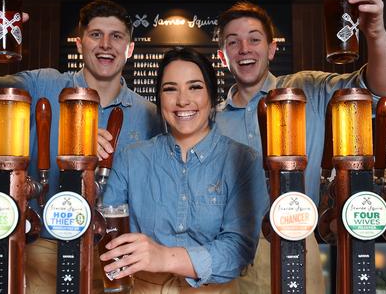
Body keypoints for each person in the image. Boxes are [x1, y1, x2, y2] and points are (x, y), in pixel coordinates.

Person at [0, 0, 160, 292]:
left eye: (116, 36)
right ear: (79, 44)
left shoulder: (150, 114)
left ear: (129, 48)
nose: (105, 44)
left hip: (117, 252)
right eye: (95, 35)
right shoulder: (43, 85)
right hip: (45, 249)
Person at [215, 0, 386, 293]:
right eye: (232, 41)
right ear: (222, 55)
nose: (244, 48)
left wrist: (375, 31)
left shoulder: (306, 89)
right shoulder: (210, 120)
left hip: (299, 242)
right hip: (226, 252)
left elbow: (379, 89)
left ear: (272, 49)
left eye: (255, 39)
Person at [101, 48, 269, 293]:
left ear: (212, 95)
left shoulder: (243, 159)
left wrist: (164, 257)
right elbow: (105, 232)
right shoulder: (130, 158)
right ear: (159, 98)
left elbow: (238, 249)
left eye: (195, 87)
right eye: (170, 89)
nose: (182, 100)